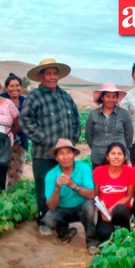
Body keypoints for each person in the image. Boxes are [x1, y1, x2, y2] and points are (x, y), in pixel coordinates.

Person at [20, 58, 81, 233]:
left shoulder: (65, 97)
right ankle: (45, 222)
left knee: (63, 185)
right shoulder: (34, 97)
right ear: (41, 76)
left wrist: (71, 142)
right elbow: (25, 121)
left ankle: (60, 221)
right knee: (44, 187)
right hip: (44, 153)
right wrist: (51, 141)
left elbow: (76, 120)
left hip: (65, 156)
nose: (52, 77)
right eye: (48, 73)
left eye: (55, 73)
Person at [43, 139, 97, 254]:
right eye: (61, 153)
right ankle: (65, 234)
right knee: (48, 220)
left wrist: (73, 185)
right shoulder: (51, 175)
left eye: (68, 152)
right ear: (56, 158)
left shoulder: (84, 168)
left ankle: (91, 242)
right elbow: (51, 207)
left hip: (81, 207)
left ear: (74, 155)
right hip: (62, 209)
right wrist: (57, 188)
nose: (65, 156)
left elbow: (91, 194)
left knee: (89, 206)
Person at [93, 142, 135, 242]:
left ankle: (125, 227)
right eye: (113, 153)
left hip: (122, 210)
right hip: (105, 212)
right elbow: (97, 196)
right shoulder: (98, 171)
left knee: (120, 210)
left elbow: (128, 197)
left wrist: (113, 208)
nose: (116, 157)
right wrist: (102, 211)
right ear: (107, 157)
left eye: (119, 154)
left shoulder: (130, 172)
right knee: (104, 235)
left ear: (124, 157)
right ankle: (111, 228)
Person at [85, 83, 133, 169]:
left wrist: (122, 149)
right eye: (108, 96)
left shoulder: (124, 114)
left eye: (114, 96)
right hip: (98, 158)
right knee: (99, 182)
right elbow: (89, 136)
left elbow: (129, 136)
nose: (111, 99)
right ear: (102, 97)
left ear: (116, 98)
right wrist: (97, 147)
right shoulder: (93, 114)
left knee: (119, 182)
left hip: (118, 159)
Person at [1, 73, 29, 185]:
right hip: (3, 142)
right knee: (2, 170)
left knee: (16, 172)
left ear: (21, 87)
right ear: (6, 88)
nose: (15, 88)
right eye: (11, 86)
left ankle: (12, 197)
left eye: (17, 85)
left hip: (20, 141)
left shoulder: (26, 101)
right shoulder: (3, 100)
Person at [0, 96, 19, 189]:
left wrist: (11, 134)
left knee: (2, 166)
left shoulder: (8, 103)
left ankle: (1, 194)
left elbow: (17, 122)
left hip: (5, 141)